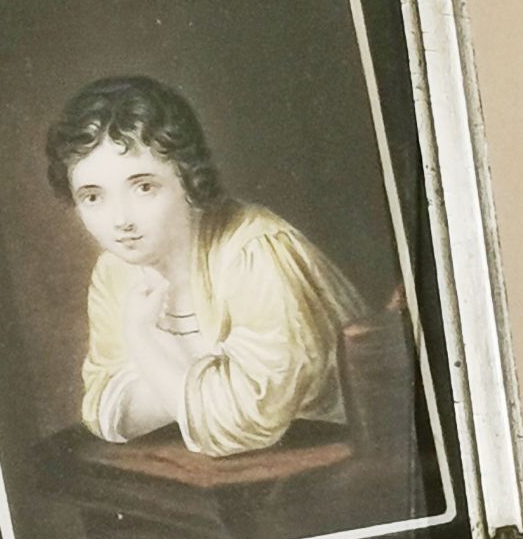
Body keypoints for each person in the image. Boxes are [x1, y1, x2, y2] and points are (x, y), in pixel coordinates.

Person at [47, 74, 364, 458]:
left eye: (143, 186)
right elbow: (105, 410)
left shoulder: (255, 252)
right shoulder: (115, 272)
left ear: (187, 176)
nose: (121, 220)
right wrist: (203, 391)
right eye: (93, 196)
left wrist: (141, 340)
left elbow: (245, 421)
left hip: (337, 457)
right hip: (227, 470)